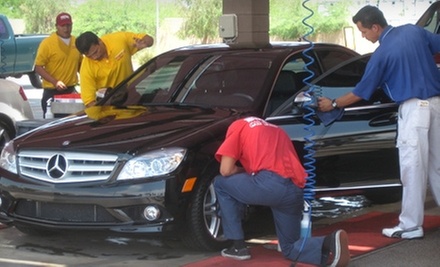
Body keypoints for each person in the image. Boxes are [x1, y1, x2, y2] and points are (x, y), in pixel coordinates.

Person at [318, 5, 440, 239]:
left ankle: (410, 225)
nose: (364, 36)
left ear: (375, 27)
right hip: (436, 104)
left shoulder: (382, 54)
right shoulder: (414, 32)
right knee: (438, 167)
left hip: (414, 110)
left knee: (412, 169)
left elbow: (360, 92)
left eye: (364, 31)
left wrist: (332, 104)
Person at [214, 116, 350, 267]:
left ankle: (238, 247)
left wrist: (243, 171)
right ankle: (329, 242)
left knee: (220, 183)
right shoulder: (277, 130)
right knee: (290, 248)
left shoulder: (238, 126)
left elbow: (225, 170)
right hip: (294, 189)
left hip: (269, 184)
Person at [75, 31, 154, 107]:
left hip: (131, 93)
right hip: (108, 102)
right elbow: (89, 102)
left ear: (100, 41)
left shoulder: (119, 39)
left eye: (96, 52)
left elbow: (149, 40)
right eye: (89, 56)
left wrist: (145, 42)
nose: (94, 57)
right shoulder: (86, 68)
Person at [34, 12, 82, 118]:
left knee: (73, 123)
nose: (66, 29)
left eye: (68, 25)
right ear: (57, 26)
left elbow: (81, 65)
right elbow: (38, 67)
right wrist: (55, 82)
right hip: (52, 92)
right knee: (53, 126)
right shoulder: (47, 43)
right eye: (62, 26)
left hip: (70, 90)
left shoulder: (76, 42)